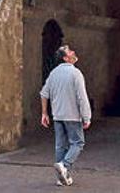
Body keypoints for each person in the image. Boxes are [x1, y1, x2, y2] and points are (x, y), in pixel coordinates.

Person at [39, 44, 92, 186]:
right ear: (65, 58)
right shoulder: (76, 73)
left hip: (58, 116)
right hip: (73, 116)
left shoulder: (54, 73)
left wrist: (44, 113)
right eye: (70, 51)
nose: (74, 51)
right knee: (78, 143)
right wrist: (86, 117)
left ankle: (62, 177)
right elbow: (82, 97)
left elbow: (44, 93)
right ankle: (65, 165)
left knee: (60, 146)